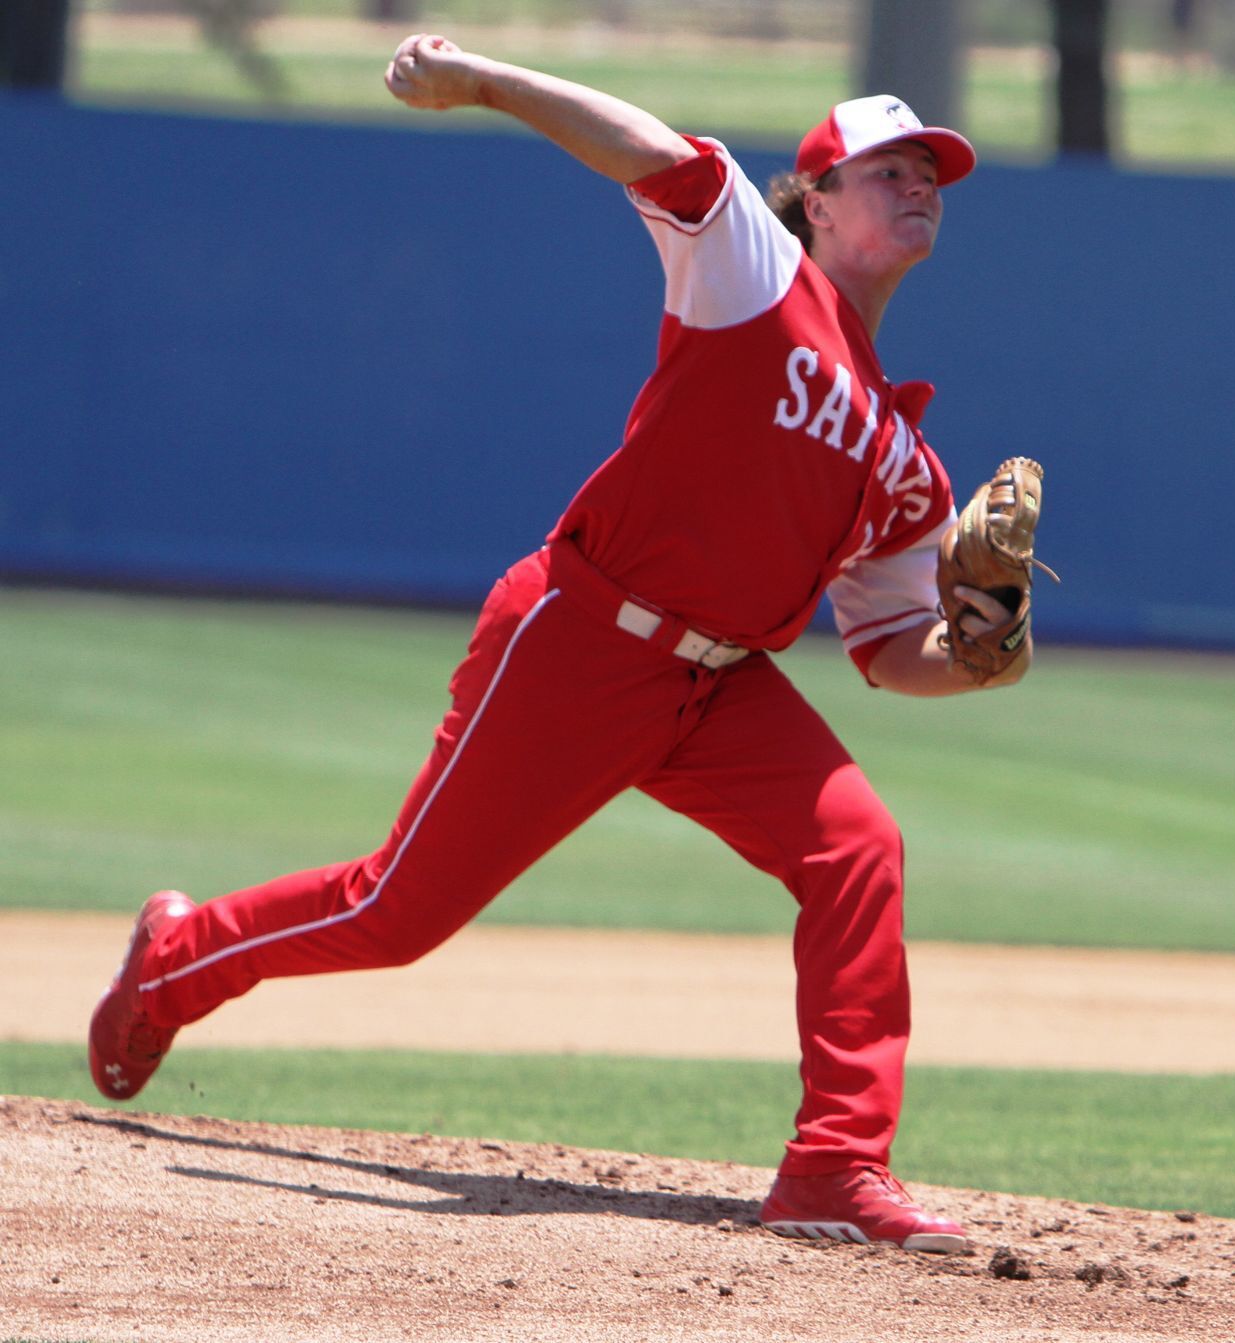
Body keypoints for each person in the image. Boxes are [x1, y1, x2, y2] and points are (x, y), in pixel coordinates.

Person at [88, 33, 1041, 1254]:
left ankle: (835, 1165)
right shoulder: (755, 271)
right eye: (890, 169)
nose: (921, 186)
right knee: (397, 913)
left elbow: (889, 644)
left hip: (717, 686)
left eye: (933, 174)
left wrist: (976, 651)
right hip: (582, 637)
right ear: (816, 200)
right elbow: (652, 154)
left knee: (858, 847)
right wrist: (487, 80)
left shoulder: (908, 463)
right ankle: (176, 959)